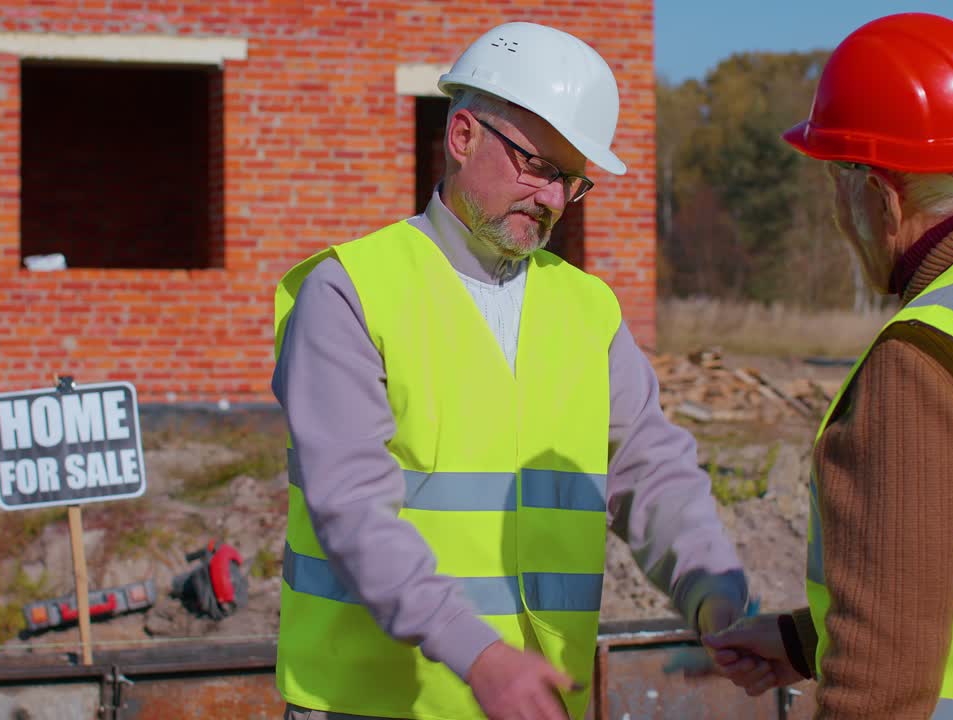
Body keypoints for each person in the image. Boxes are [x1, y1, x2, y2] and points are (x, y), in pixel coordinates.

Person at [270, 20, 749, 720]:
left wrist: (714, 592)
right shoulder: (350, 291)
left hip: (533, 703)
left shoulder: (586, 309)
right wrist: (477, 653)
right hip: (370, 704)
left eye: (572, 181)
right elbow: (350, 506)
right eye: (540, 168)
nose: (553, 200)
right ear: (462, 136)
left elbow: (650, 468)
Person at [703, 12, 953, 719]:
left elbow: (881, 693)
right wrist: (810, 640)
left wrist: (852, 659)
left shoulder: (926, 364)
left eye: (835, 184)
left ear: (878, 196)